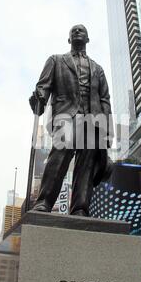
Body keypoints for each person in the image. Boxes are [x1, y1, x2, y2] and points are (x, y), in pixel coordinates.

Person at [29, 24, 113, 216]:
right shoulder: (56, 60)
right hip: (66, 116)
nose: (77, 32)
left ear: (88, 39)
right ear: (68, 39)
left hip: (93, 121)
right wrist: (39, 97)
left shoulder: (98, 69)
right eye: (73, 30)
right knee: (58, 158)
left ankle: (80, 208)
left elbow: (105, 100)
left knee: (86, 165)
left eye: (81, 30)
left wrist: (107, 133)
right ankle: (44, 201)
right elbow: (43, 86)